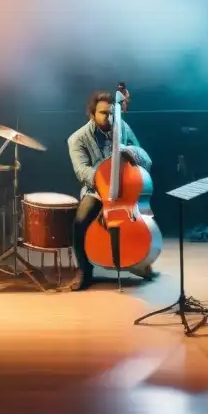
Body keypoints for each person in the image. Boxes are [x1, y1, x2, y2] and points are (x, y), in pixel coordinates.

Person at [66, 89, 155, 291]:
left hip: (124, 187)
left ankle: (137, 260)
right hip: (96, 189)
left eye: (111, 112)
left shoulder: (122, 126)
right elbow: (82, 172)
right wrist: (104, 181)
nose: (109, 117)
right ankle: (84, 271)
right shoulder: (77, 139)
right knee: (80, 222)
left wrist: (129, 151)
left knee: (140, 218)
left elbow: (145, 159)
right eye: (103, 113)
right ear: (93, 114)